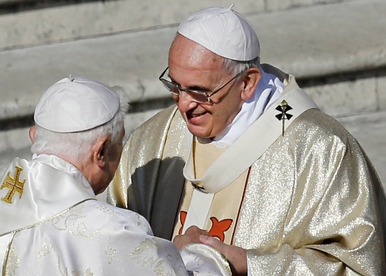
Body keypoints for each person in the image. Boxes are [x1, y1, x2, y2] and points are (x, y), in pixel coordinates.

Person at [108, 6, 386, 275]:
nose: (184, 105)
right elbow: (112, 243)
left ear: (248, 83)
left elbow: (357, 263)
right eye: (175, 86)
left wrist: (249, 264)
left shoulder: (321, 150)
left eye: (199, 91)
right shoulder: (152, 141)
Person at [0, 77, 231, 276]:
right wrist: (194, 252)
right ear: (101, 152)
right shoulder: (103, 229)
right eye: (119, 145)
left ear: (34, 135)